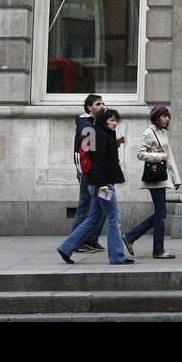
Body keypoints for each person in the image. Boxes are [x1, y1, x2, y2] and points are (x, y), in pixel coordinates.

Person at [58, 108, 135, 264]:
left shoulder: (102, 134)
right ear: (104, 120)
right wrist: (103, 185)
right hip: (103, 185)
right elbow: (98, 162)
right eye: (112, 120)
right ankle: (117, 257)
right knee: (114, 219)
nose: (115, 123)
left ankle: (66, 247)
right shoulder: (101, 136)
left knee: (92, 219)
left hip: (99, 183)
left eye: (116, 120)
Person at [123, 105, 182, 259]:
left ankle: (132, 237)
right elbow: (140, 154)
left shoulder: (162, 132)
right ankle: (157, 250)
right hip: (155, 178)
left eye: (168, 116)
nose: (167, 119)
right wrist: (158, 157)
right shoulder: (149, 132)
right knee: (161, 214)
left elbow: (170, 156)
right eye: (164, 116)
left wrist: (176, 178)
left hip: (163, 178)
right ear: (156, 118)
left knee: (160, 214)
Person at [71, 94, 106, 253]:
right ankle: (76, 242)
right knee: (84, 208)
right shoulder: (87, 126)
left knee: (100, 206)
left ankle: (90, 239)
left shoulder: (93, 124)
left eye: (102, 103)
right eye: (98, 104)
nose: (102, 106)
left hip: (94, 172)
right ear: (89, 107)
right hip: (89, 173)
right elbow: (88, 152)